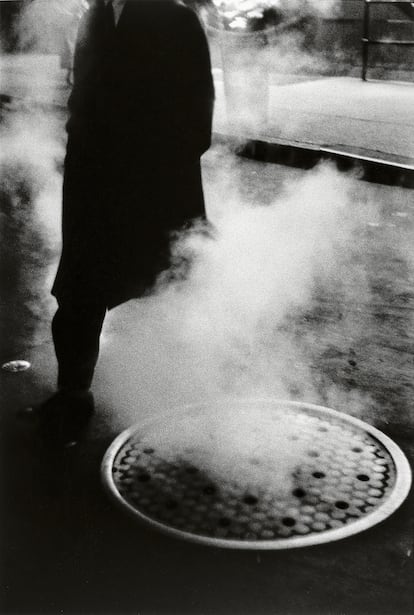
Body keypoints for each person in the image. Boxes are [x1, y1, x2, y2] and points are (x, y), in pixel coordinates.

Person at [37, 0, 215, 445]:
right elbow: (84, 91)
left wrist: (155, 168)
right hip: (92, 185)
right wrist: (76, 142)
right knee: (79, 293)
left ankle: (186, 399)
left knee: (165, 288)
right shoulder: (95, 14)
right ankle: (73, 396)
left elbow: (198, 113)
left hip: (149, 184)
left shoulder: (175, 17)